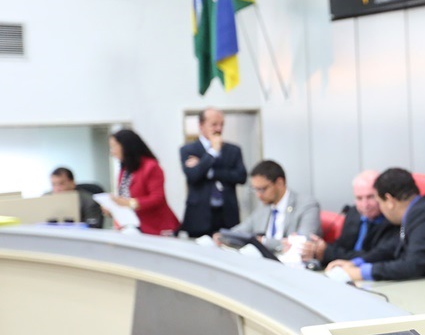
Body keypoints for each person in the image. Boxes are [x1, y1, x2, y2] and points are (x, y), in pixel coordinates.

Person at [301, 170, 400, 267]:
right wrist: (318, 248)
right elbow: (341, 246)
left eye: (370, 197)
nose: (365, 205)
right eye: (359, 198)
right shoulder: (354, 213)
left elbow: (374, 256)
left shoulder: (393, 219)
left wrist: (327, 253)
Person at [179, 108, 247, 238]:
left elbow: (241, 176)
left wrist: (210, 171)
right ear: (201, 126)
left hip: (227, 214)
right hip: (199, 215)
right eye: (214, 124)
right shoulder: (188, 150)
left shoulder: (233, 150)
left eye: (222, 124)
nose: (219, 128)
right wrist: (212, 152)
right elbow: (193, 176)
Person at [224, 160, 319, 252]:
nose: (258, 195)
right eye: (255, 190)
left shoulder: (306, 204)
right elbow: (242, 230)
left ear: (279, 183)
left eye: (262, 189)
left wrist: (263, 242)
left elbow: (303, 243)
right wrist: (223, 236)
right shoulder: (264, 206)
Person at [108, 129, 179, 236]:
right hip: (134, 227)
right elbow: (124, 197)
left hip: (156, 227)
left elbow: (157, 198)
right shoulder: (125, 170)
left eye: (114, 146)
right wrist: (113, 207)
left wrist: (130, 203)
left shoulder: (151, 166)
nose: (112, 151)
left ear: (125, 146)